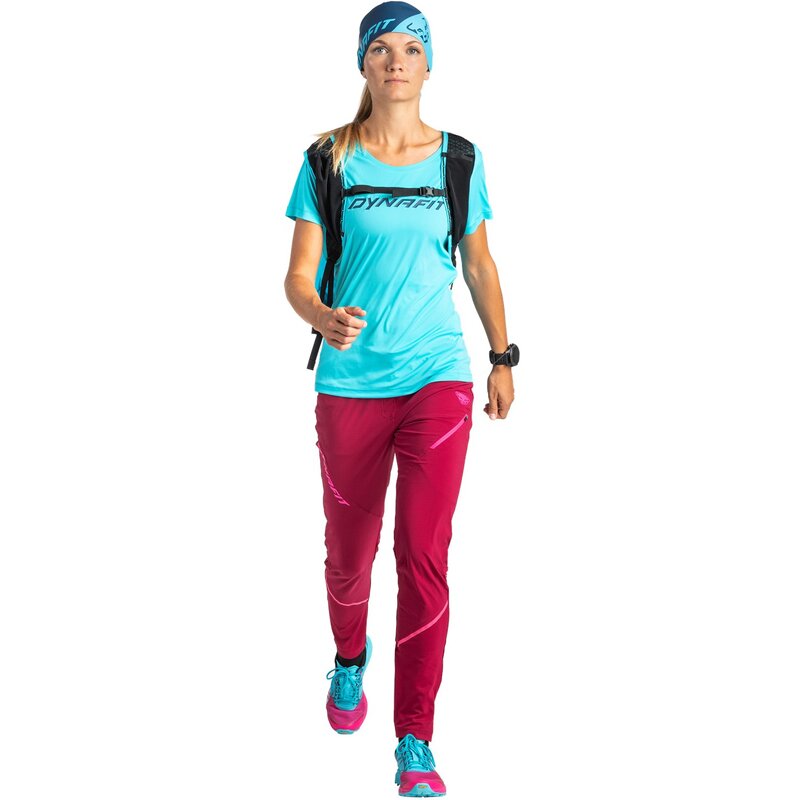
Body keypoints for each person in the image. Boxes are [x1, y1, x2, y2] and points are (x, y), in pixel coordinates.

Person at [284, 2, 517, 795]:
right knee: (349, 557)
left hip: (437, 376)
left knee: (423, 555)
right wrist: (320, 314)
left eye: (409, 50)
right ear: (363, 64)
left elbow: (479, 264)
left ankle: (416, 738)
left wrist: (502, 356)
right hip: (349, 382)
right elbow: (298, 275)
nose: (395, 62)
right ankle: (350, 656)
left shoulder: (459, 159)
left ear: (428, 65)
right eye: (380, 49)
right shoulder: (328, 159)